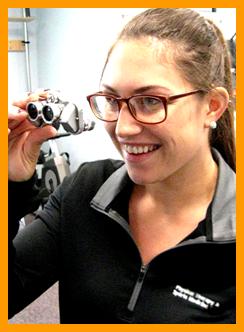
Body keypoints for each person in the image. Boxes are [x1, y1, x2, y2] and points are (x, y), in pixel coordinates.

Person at [8, 8, 236, 324]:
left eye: (151, 101)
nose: (123, 128)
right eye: (112, 100)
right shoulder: (85, 190)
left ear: (212, 107)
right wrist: (10, 185)